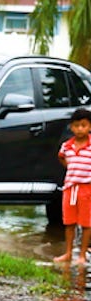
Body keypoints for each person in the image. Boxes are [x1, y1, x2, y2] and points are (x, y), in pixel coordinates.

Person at [56, 107, 91, 265]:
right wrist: (73, 170)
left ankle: (82, 255)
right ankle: (68, 252)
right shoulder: (67, 146)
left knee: (86, 223)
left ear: (89, 127)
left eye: (84, 125)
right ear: (71, 127)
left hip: (87, 189)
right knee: (69, 222)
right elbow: (62, 158)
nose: (80, 129)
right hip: (70, 188)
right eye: (76, 126)